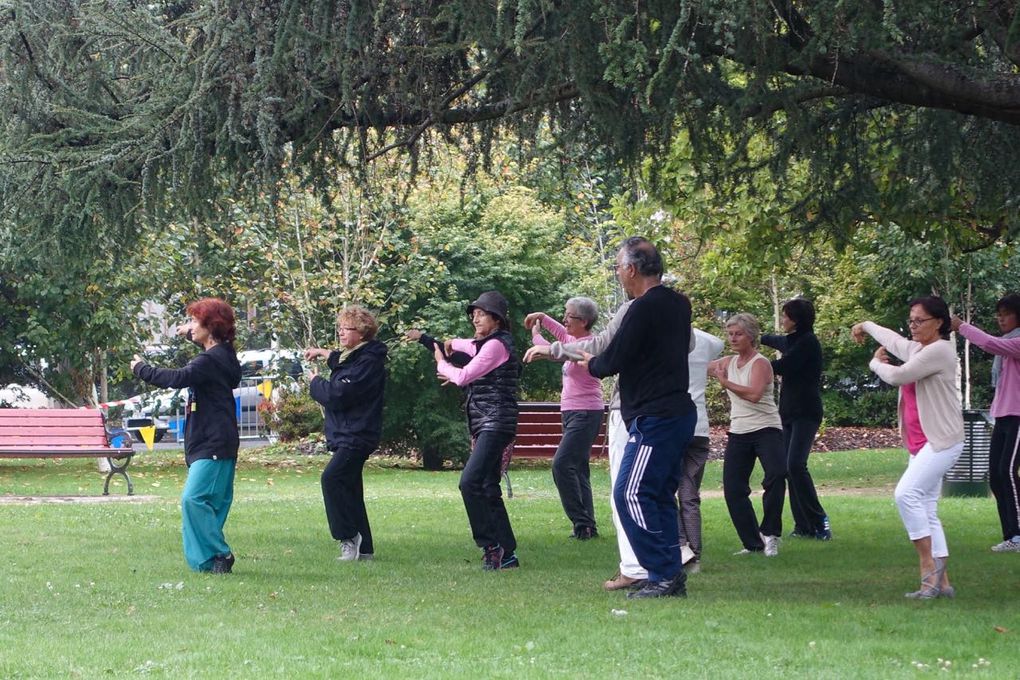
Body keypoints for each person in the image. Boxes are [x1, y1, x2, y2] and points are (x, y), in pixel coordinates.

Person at [580, 237, 696, 599]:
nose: (617, 273)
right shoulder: (679, 304)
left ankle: (661, 573)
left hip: (656, 416)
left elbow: (614, 356)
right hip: (674, 413)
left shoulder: (643, 307)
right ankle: (667, 576)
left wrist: (591, 365)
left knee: (629, 491)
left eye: (617, 267)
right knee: (657, 495)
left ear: (632, 269)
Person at [852, 296, 964, 599]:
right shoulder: (919, 348)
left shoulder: (940, 350)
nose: (912, 326)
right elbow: (895, 340)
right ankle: (942, 584)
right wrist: (866, 324)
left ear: (939, 323)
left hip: (941, 441)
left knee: (906, 494)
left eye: (919, 321)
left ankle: (928, 568)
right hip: (921, 442)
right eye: (911, 320)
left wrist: (875, 363)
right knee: (927, 508)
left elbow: (899, 375)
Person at [411, 291, 521, 571]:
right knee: (487, 486)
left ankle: (490, 545)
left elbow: (461, 375)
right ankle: (507, 554)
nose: (475, 318)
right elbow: (457, 346)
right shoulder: (486, 344)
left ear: (496, 319)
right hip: (489, 422)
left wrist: (442, 363)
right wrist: (430, 341)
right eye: (473, 315)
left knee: (469, 483)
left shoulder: (496, 346)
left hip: (494, 424)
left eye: (481, 314)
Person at [131, 298, 242, 573]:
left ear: (211, 325)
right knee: (213, 503)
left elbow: (177, 378)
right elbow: (206, 357)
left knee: (194, 499)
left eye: (195, 321)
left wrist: (140, 368)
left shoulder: (210, 360)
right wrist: (190, 333)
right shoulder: (224, 355)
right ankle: (209, 563)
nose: (190, 326)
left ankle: (220, 554)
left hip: (212, 442)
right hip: (218, 440)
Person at [305, 306, 387, 562]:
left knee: (332, 480)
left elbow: (337, 395)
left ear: (361, 333)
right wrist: (321, 352)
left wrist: (315, 383)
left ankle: (348, 538)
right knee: (350, 489)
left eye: (346, 328)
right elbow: (341, 359)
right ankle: (365, 549)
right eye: (339, 327)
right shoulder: (358, 356)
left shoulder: (368, 362)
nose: (341, 332)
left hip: (356, 434)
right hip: (350, 433)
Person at [525, 297, 604, 540]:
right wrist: (541, 321)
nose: (564, 319)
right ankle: (586, 527)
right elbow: (554, 344)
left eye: (569, 316)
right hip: (572, 412)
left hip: (586, 412)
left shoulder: (588, 345)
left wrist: (542, 340)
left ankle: (582, 522)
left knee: (561, 465)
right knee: (578, 470)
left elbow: (558, 352)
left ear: (585, 321)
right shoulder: (573, 340)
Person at [709, 313, 786, 557]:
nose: (733, 338)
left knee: (775, 475)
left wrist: (725, 382)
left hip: (766, 428)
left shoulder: (761, 363)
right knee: (733, 489)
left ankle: (771, 534)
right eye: (730, 334)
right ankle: (753, 543)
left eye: (738, 334)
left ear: (751, 336)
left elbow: (753, 394)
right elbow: (695, 364)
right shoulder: (728, 362)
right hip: (739, 430)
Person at [952, 293, 1020, 553]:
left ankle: (1018, 535)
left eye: (1007, 313)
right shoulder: (1006, 344)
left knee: (1007, 472)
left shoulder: (1015, 343)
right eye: (999, 313)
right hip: (1003, 416)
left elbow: (989, 344)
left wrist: (961, 327)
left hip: (1018, 417)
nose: (1001, 318)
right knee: (996, 475)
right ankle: (1011, 535)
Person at [761, 298, 831, 540]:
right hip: (789, 412)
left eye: (786, 316)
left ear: (797, 320)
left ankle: (819, 521)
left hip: (806, 412)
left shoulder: (807, 343)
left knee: (796, 465)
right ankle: (804, 526)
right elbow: (775, 340)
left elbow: (782, 366)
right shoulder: (793, 340)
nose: (783, 320)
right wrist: (753, 337)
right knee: (789, 469)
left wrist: (753, 363)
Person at [677, 328, 725, 573]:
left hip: (674, 423)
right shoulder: (706, 341)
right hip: (699, 426)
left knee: (672, 491)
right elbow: (719, 343)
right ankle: (688, 548)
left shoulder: (666, 338)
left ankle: (687, 549)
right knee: (689, 492)